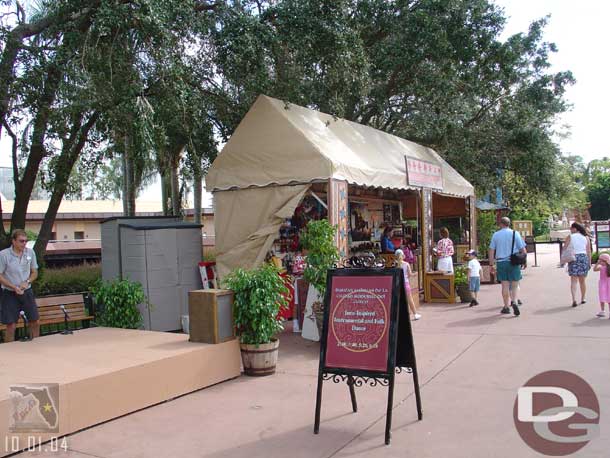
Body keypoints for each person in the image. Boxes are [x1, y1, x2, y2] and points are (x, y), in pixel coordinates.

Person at [0, 229, 40, 341]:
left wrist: (27, 282)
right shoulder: (3, 255)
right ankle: (10, 352)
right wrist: (14, 287)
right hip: (9, 293)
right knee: (11, 325)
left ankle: (36, 346)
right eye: (21, 241)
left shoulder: (30, 252)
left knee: (35, 321)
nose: (24, 244)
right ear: (13, 241)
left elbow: (35, 272)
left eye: (26, 241)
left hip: (26, 291)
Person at [489, 217, 527, 316]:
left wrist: (491, 264)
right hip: (513, 262)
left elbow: (491, 250)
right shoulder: (515, 233)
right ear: (509, 224)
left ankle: (506, 307)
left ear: (501, 224)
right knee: (514, 285)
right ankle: (514, 301)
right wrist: (524, 260)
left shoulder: (496, 235)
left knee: (504, 285)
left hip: (501, 263)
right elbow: (523, 249)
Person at [564, 222, 591, 307]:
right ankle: (583, 298)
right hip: (583, 257)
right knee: (582, 281)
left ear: (575, 228)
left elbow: (565, 248)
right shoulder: (586, 237)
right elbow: (588, 251)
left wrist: (563, 260)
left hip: (573, 258)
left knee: (573, 280)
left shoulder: (570, 237)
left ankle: (574, 299)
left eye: (571, 228)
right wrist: (589, 262)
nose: (570, 230)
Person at [395, 249, 421, 320]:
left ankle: (398, 316)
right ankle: (415, 314)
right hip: (405, 284)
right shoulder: (406, 264)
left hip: (397, 284)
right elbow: (409, 275)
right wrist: (415, 274)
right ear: (403, 255)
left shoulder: (395, 264)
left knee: (398, 300)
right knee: (410, 300)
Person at [592, 253, 610, 318]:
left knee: (604, 297)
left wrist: (597, 263)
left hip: (603, 284)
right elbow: (594, 270)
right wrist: (598, 263)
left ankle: (603, 311)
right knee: (607, 298)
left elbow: (594, 269)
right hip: (606, 284)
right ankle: (603, 311)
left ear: (605, 261)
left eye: (600, 260)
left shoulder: (602, 268)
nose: (599, 261)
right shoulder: (603, 267)